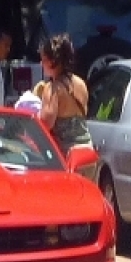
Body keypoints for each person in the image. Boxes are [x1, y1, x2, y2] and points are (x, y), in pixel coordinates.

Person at [34, 34, 95, 176]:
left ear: (52, 61)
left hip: (68, 156)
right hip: (87, 153)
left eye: (43, 59)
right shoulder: (80, 83)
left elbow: (45, 123)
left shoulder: (52, 88)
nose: (41, 64)